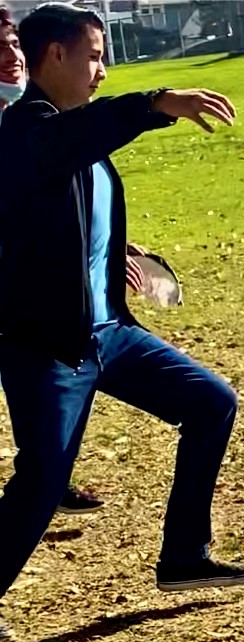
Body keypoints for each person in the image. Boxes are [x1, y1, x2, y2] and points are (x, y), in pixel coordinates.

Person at [0, 3, 244, 642]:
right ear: (53, 57)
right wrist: (155, 103)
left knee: (210, 402)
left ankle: (183, 558)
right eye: (93, 55)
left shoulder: (74, 130)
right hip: (47, 346)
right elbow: (64, 151)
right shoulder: (25, 129)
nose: (102, 70)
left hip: (107, 333)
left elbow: (74, 212)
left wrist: (123, 254)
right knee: (43, 481)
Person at [0, 6, 104, 515]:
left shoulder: (36, 119)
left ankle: (46, 477)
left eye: (14, 44)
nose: (13, 57)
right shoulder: (23, 126)